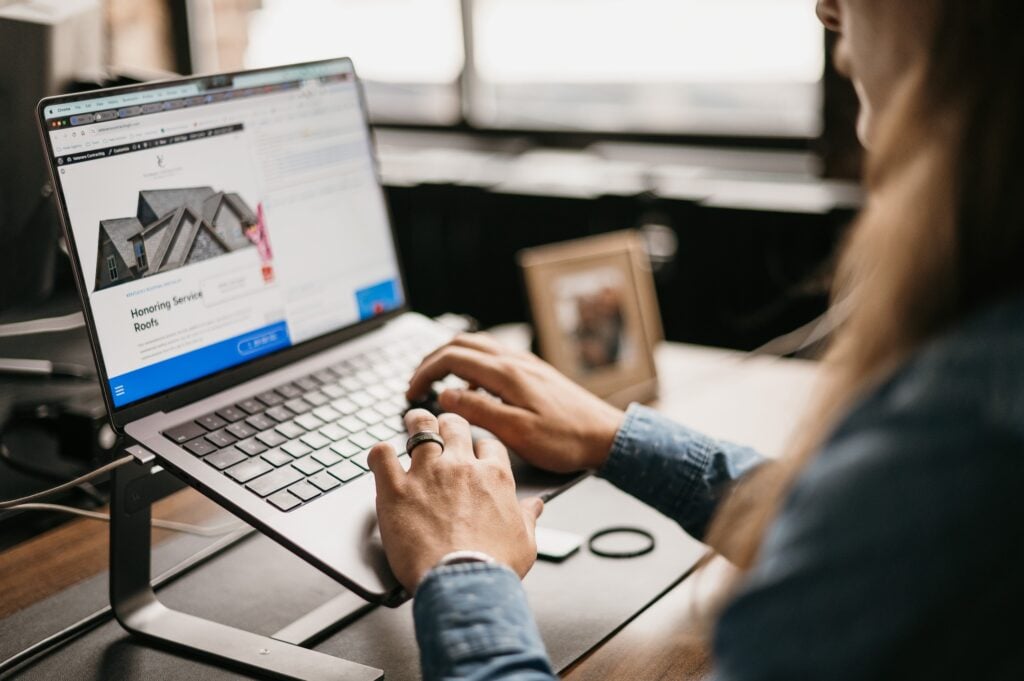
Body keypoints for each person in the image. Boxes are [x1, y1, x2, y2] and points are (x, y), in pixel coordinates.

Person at [367, 0, 1024, 678]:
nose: (826, 9)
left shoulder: (976, 418)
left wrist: (462, 568)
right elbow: (886, 541)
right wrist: (613, 435)